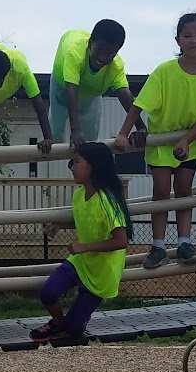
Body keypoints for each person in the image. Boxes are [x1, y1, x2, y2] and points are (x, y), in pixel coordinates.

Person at [114, 14, 196, 269]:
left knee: (184, 190)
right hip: (161, 142)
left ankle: (184, 242)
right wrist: (122, 133)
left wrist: (186, 140)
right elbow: (139, 105)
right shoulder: (165, 71)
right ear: (178, 40)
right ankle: (159, 245)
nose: (194, 40)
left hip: (189, 143)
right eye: (187, 35)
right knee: (161, 191)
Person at [29, 142, 130, 342]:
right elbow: (87, 220)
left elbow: (121, 241)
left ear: (94, 166)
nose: (71, 167)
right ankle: (58, 322)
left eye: (76, 162)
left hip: (102, 272)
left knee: (73, 331)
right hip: (81, 262)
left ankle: (65, 326)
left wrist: (85, 247)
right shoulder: (79, 195)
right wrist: (59, 225)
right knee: (48, 293)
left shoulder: (106, 200)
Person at [50, 20, 134, 148]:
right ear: (90, 44)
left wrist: (140, 127)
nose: (102, 58)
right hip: (62, 86)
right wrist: (75, 130)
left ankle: (82, 162)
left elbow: (124, 94)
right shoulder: (75, 53)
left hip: (91, 91)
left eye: (110, 53)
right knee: (55, 130)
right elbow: (71, 91)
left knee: (90, 138)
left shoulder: (116, 66)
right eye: (99, 49)